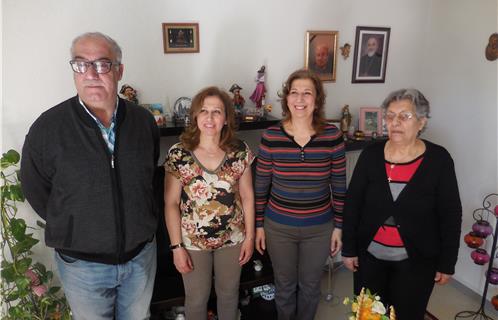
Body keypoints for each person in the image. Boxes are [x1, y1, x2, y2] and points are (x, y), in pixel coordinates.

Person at [20, 32, 160, 319]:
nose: (91, 74)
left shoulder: (143, 122)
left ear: (119, 70)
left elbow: (148, 179)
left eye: (102, 64)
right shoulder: (48, 129)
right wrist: (74, 225)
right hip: (82, 267)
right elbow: (36, 190)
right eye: (81, 64)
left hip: (140, 258)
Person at [342, 89, 462, 320]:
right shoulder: (371, 154)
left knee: (407, 315)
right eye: (389, 116)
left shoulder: (439, 160)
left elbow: (451, 214)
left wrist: (447, 262)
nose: (394, 123)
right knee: (368, 315)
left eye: (404, 116)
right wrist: (349, 248)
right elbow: (353, 202)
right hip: (369, 259)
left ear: (421, 122)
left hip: (417, 264)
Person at [255, 69, 346, 320]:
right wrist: (259, 226)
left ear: (317, 100)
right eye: (294, 92)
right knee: (284, 287)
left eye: (307, 93)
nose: (300, 99)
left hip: (319, 228)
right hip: (278, 227)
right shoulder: (271, 136)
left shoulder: (332, 136)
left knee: (309, 287)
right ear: (286, 99)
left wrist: (339, 227)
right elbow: (261, 184)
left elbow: (339, 185)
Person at [164, 86, 255, 320]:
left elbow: (246, 196)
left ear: (226, 118)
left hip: (233, 238)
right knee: (196, 299)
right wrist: (176, 247)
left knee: (229, 295)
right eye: (204, 110)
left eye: (217, 111)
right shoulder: (179, 154)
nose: (210, 117)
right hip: (192, 242)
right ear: (195, 115)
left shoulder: (239, 151)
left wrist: (250, 237)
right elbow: (171, 203)